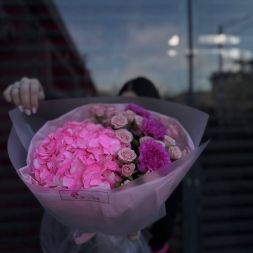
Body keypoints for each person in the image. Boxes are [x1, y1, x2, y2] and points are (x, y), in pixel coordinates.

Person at [3, 76, 182, 253]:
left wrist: (138, 224)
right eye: (125, 105)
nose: (131, 112)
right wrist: (32, 96)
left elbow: (163, 232)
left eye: (138, 106)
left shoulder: (168, 164)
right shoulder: (103, 141)